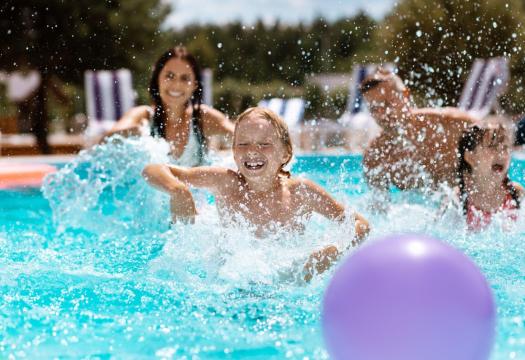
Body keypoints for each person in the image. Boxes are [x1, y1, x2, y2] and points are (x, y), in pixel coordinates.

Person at [142, 107, 370, 281]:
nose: (252, 151)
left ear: (285, 152)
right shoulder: (225, 183)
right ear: (233, 151)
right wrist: (177, 190)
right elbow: (153, 169)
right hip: (231, 283)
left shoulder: (301, 192)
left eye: (264, 144)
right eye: (243, 143)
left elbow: (360, 224)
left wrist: (334, 253)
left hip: (288, 284)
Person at [106, 46, 233, 166]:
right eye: (169, 76)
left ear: (194, 85)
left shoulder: (201, 118)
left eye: (185, 78)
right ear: (157, 79)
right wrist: (134, 133)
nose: (176, 85)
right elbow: (105, 141)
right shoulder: (142, 117)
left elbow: (241, 134)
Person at [361, 68, 477, 191]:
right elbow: (377, 208)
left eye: (387, 104)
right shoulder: (375, 157)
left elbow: (494, 139)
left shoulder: (450, 124)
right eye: (374, 108)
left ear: (405, 95)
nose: (382, 114)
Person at [456, 117, 523, 230]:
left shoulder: (516, 194)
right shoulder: (459, 199)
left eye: (505, 148)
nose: (501, 154)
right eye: (493, 147)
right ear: (470, 157)